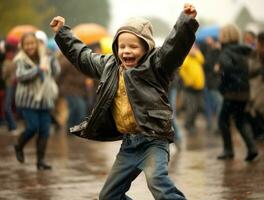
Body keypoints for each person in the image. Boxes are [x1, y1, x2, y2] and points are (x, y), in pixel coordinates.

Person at [50, 3, 198, 199]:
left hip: (154, 140)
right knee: (108, 196)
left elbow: (174, 48)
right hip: (129, 144)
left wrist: (185, 22)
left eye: (133, 46)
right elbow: (83, 57)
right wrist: (62, 33)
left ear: (146, 47)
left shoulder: (156, 66)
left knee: (158, 184)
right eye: (122, 46)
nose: (126, 51)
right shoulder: (109, 66)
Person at [14, 32, 61, 170]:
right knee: (33, 127)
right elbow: (21, 76)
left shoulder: (45, 56)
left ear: (37, 44)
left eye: (32, 43)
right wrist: (37, 69)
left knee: (45, 131)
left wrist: (52, 59)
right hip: (28, 100)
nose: (30, 46)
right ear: (22, 46)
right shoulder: (20, 59)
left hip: (45, 100)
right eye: (27, 44)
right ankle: (19, 145)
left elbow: (55, 72)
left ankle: (40, 161)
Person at [215, 24, 258, 161]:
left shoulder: (226, 52)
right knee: (240, 120)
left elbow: (226, 71)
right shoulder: (242, 50)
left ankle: (228, 151)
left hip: (232, 93)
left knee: (222, 120)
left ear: (225, 36)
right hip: (244, 92)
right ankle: (252, 148)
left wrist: (220, 80)